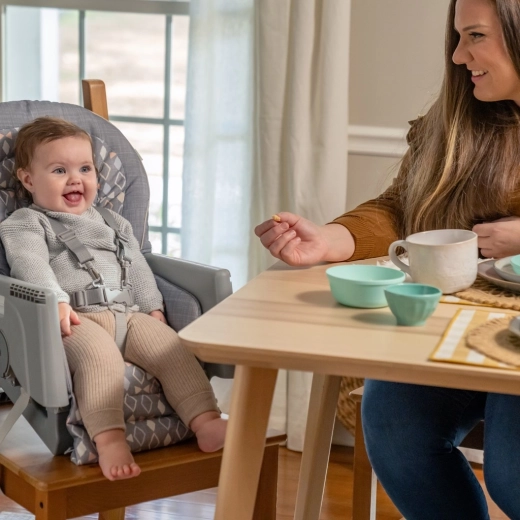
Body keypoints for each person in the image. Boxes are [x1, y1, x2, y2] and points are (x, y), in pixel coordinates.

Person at [255, 0, 520, 518]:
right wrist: (331, 239)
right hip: (461, 324)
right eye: (457, 36)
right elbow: (403, 207)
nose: (457, 55)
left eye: (475, 36)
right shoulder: (458, 117)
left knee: (512, 476)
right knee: (395, 424)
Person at [0, 117, 227, 481]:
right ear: (28, 180)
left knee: (172, 350)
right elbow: (29, 263)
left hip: (128, 313)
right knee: (99, 358)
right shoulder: (26, 222)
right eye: (59, 170)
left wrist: (152, 307)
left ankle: (206, 421)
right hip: (76, 320)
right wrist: (55, 301)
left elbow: (137, 265)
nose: (75, 179)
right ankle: (108, 441)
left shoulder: (113, 223)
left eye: (85, 169)